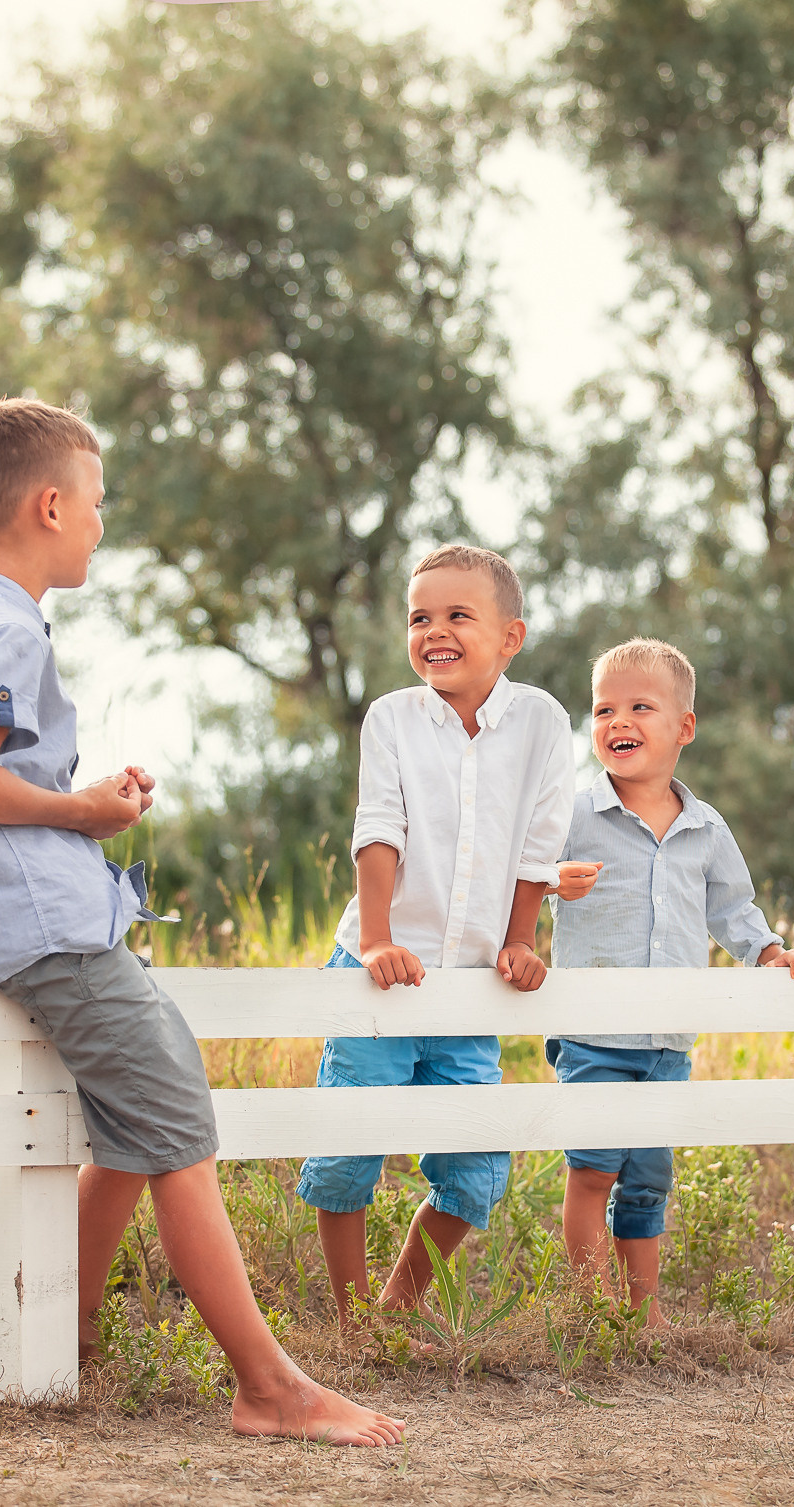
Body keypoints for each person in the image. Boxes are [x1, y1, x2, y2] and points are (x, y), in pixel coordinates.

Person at [0, 397, 403, 1444]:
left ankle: (58, 1344)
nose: (101, 522)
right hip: (43, 931)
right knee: (176, 1121)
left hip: (44, 916)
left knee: (139, 1116)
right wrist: (82, 810)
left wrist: (90, 799)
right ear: (49, 504)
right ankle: (270, 1387)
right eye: (98, 503)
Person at [296, 544, 574, 1327]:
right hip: (376, 967)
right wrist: (380, 938)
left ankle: (396, 1301)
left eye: (458, 615)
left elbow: (539, 843)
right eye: (420, 617)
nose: (435, 632)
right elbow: (379, 826)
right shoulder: (391, 718)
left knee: (477, 1170)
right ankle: (355, 1325)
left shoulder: (543, 722)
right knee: (350, 1146)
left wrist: (521, 939)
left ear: (510, 636)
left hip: (468, 986)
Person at [548, 638, 794, 1321]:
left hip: (668, 1039)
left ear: (684, 727)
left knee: (647, 1179)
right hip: (593, 1033)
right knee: (593, 1169)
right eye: (604, 708)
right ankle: (593, 1310)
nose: (619, 721)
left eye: (641, 706)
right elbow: (523, 879)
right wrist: (550, 881)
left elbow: (732, 908)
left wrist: (768, 952)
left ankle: (645, 1314)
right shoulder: (573, 815)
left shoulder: (705, 828)